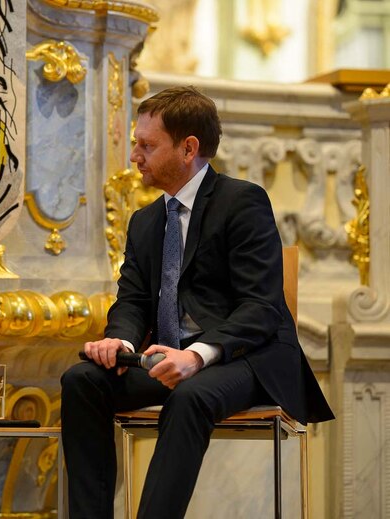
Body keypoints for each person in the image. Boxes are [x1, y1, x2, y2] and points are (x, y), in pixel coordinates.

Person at [60, 86, 334, 519]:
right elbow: (131, 300)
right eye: (136, 142)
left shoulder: (242, 201)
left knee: (190, 395)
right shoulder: (146, 221)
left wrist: (197, 356)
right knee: (83, 381)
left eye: (147, 145)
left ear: (188, 148)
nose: (134, 155)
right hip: (170, 360)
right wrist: (121, 342)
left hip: (245, 358)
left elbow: (260, 308)